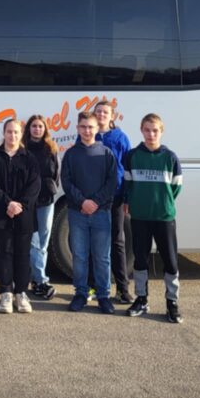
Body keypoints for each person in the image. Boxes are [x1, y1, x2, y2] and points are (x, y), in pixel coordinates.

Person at [123, 113, 184, 323]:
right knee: (140, 259)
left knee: (170, 261)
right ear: (141, 130)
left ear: (161, 132)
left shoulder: (170, 158)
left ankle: (172, 302)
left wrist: (162, 203)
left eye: (155, 130)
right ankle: (141, 298)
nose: (151, 134)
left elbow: (176, 188)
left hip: (164, 217)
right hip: (140, 217)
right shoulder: (132, 156)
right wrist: (136, 202)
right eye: (147, 130)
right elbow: (128, 184)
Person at [61, 111, 118, 314]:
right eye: (83, 127)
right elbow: (66, 182)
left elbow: (112, 182)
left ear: (97, 129)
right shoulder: (71, 154)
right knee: (79, 256)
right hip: (77, 213)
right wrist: (83, 202)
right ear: (78, 129)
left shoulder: (106, 153)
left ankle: (104, 296)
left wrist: (95, 202)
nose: (87, 131)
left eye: (91, 127)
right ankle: (81, 294)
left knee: (102, 257)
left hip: (101, 213)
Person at [0, 119, 41, 314]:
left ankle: (21, 293)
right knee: (4, 253)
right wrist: (8, 203)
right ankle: (6, 293)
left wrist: (19, 205)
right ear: (4, 133)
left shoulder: (29, 158)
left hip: (24, 215)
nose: (12, 136)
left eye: (16, 132)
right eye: (9, 132)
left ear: (21, 134)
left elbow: (35, 185)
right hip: (0, 213)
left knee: (23, 254)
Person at [95, 99, 133, 304]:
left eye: (105, 112)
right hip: (94, 198)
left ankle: (122, 288)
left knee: (117, 241)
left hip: (116, 197)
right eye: (98, 111)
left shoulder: (120, 138)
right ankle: (95, 286)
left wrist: (127, 197)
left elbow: (127, 169)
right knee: (95, 242)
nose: (101, 115)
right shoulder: (88, 135)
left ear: (112, 116)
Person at [25, 114, 60, 301]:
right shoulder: (23, 148)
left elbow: (56, 174)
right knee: (34, 242)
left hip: (46, 201)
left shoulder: (51, 148)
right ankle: (40, 281)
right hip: (29, 202)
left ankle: (36, 280)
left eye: (40, 126)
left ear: (45, 129)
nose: (37, 129)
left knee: (43, 243)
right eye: (34, 126)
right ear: (29, 129)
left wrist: (51, 188)